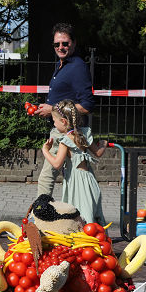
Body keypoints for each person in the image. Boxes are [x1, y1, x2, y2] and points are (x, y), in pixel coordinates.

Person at [34, 22, 96, 197]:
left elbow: (87, 105)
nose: (61, 47)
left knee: (47, 177)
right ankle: (86, 216)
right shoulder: (62, 65)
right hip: (62, 130)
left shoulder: (77, 67)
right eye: (57, 44)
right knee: (78, 176)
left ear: (74, 43)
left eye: (65, 43)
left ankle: (41, 213)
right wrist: (47, 110)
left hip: (67, 133)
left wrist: (52, 109)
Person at [40, 100, 107, 225]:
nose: (54, 124)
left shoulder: (65, 140)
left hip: (76, 183)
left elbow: (56, 164)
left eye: (54, 121)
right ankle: (99, 240)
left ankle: (88, 242)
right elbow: (98, 152)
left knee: (80, 217)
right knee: (91, 215)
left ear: (63, 121)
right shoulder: (83, 133)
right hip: (89, 180)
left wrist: (45, 150)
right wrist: (103, 144)